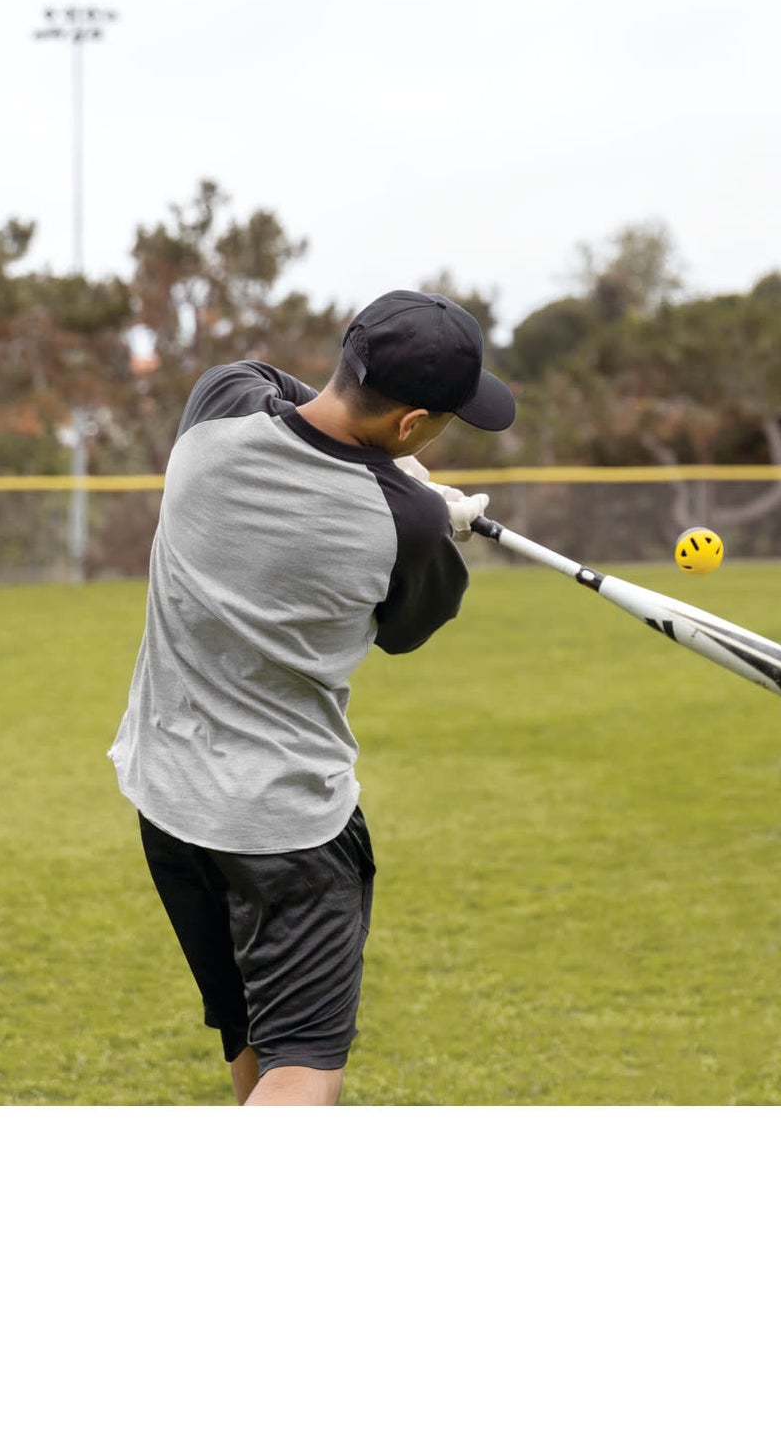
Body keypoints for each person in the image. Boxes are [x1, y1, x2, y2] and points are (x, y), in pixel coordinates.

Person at [109, 290, 514, 1104]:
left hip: (167, 796)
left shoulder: (215, 412)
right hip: (286, 826)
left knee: (254, 1035)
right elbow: (405, 631)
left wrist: (400, 479)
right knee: (304, 1070)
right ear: (411, 426)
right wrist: (418, 499)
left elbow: (277, 389)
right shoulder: (411, 526)